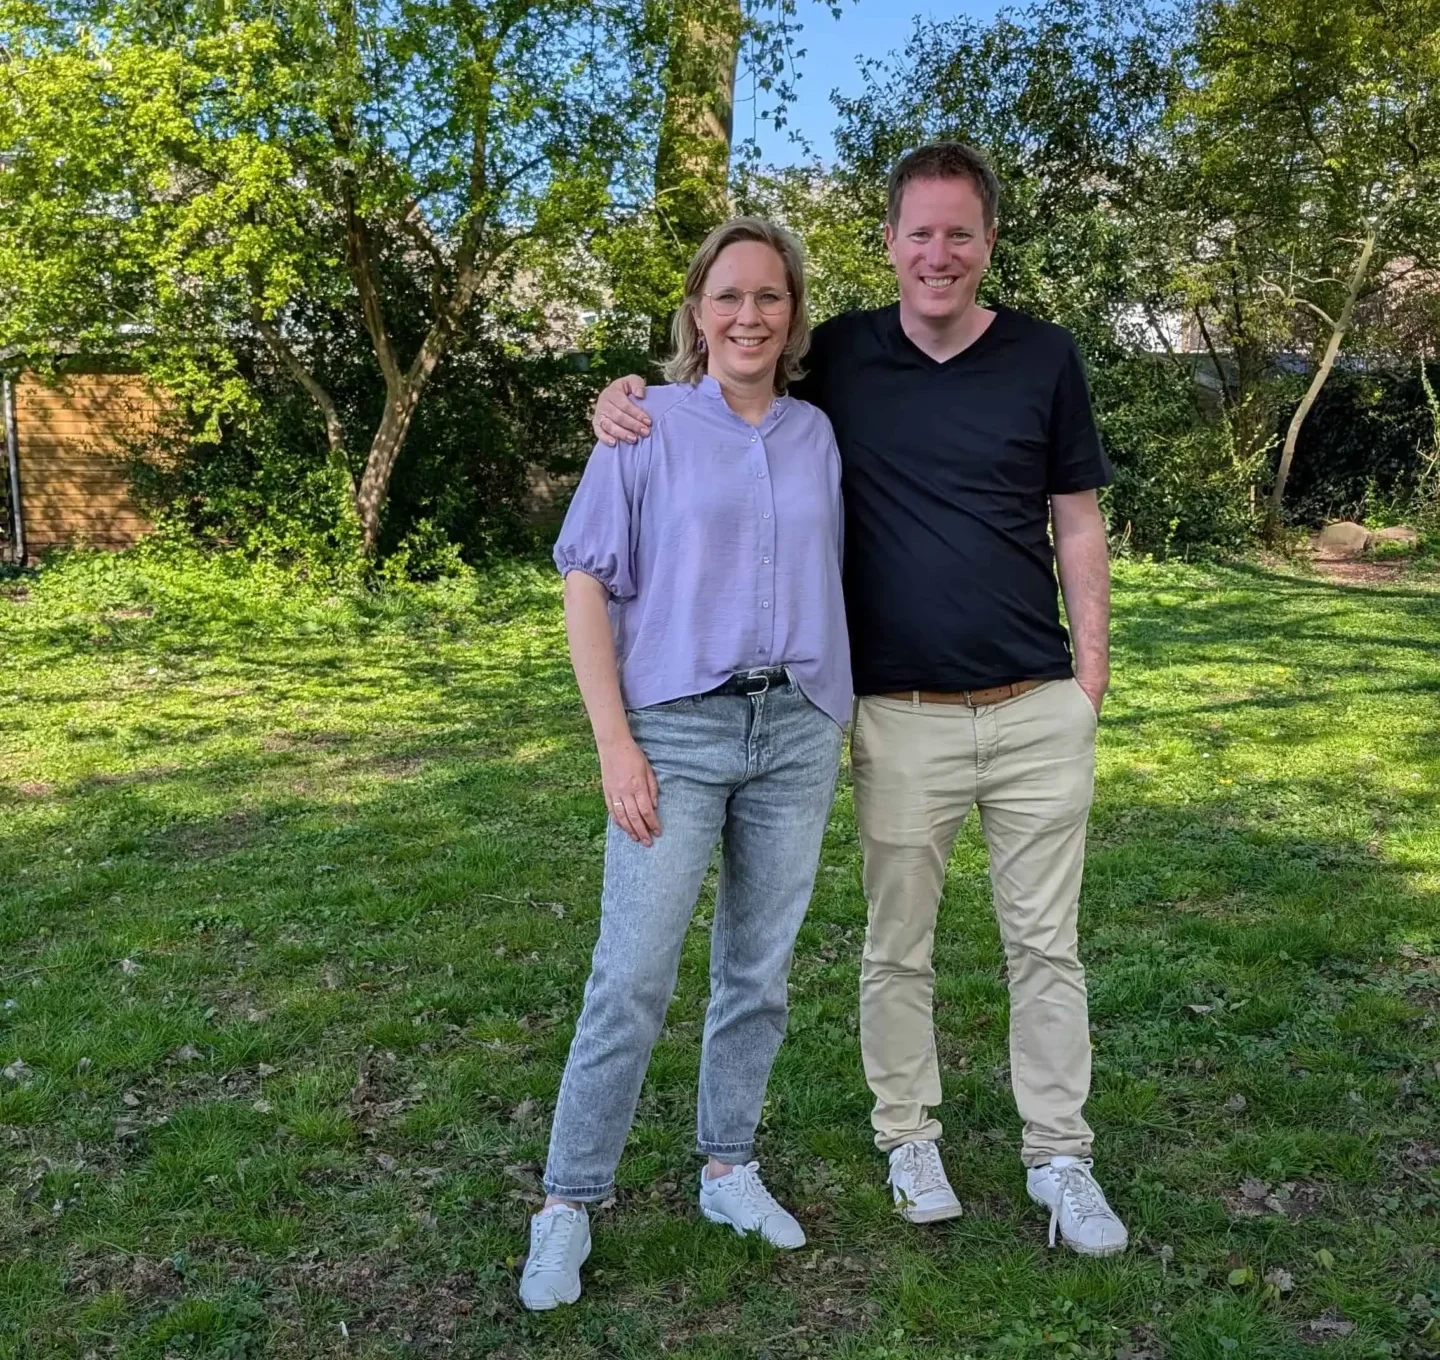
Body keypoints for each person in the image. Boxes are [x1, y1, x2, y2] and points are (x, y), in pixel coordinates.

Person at [590, 143, 1128, 1257]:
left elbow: (1076, 515)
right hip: (899, 709)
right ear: (887, 244)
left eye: (960, 233)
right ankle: (907, 1136)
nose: (939, 253)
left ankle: (1060, 1157)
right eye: (918, 232)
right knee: (897, 944)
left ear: (987, 243)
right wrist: (624, 395)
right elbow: (726, 380)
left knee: (1048, 946)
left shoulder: (1046, 357)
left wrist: (1091, 674)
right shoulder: (839, 356)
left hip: (1035, 705)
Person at [519, 217, 851, 1311]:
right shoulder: (645, 424)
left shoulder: (816, 435)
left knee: (758, 974)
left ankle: (727, 1166)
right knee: (633, 974)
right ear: (696, 313)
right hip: (677, 731)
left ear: (792, 315)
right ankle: (568, 1200)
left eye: (769, 297)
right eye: (729, 297)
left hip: (795, 729)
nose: (749, 315)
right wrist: (615, 741)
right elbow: (583, 578)